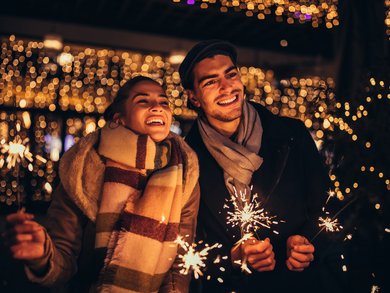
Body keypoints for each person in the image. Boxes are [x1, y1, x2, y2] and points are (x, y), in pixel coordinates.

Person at [4, 76, 200, 293]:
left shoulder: (185, 173)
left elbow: (179, 265)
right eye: (143, 101)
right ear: (119, 118)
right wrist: (42, 256)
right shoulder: (82, 169)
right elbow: (64, 261)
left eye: (164, 102)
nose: (157, 107)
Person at [179, 40, 344, 292]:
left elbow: (327, 207)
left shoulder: (291, 134)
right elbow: (187, 248)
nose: (226, 87)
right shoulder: (186, 160)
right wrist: (232, 257)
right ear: (194, 97)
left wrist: (309, 242)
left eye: (231, 74)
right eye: (210, 82)